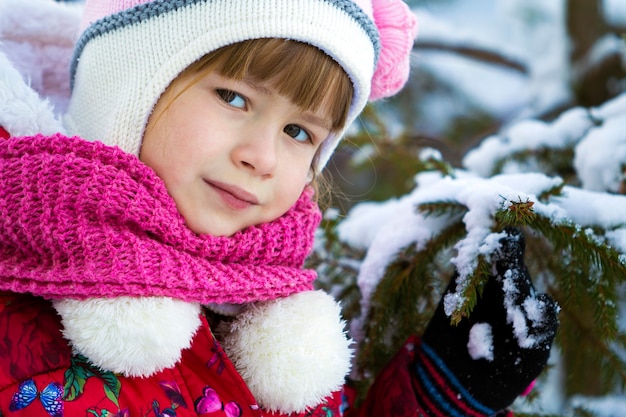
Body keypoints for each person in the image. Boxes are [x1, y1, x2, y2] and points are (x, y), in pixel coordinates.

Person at [0, 0, 558, 416]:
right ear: (127, 91)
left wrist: (443, 396)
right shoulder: (23, 321)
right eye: (234, 97)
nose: (262, 157)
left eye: (298, 132)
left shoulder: (254, 311)